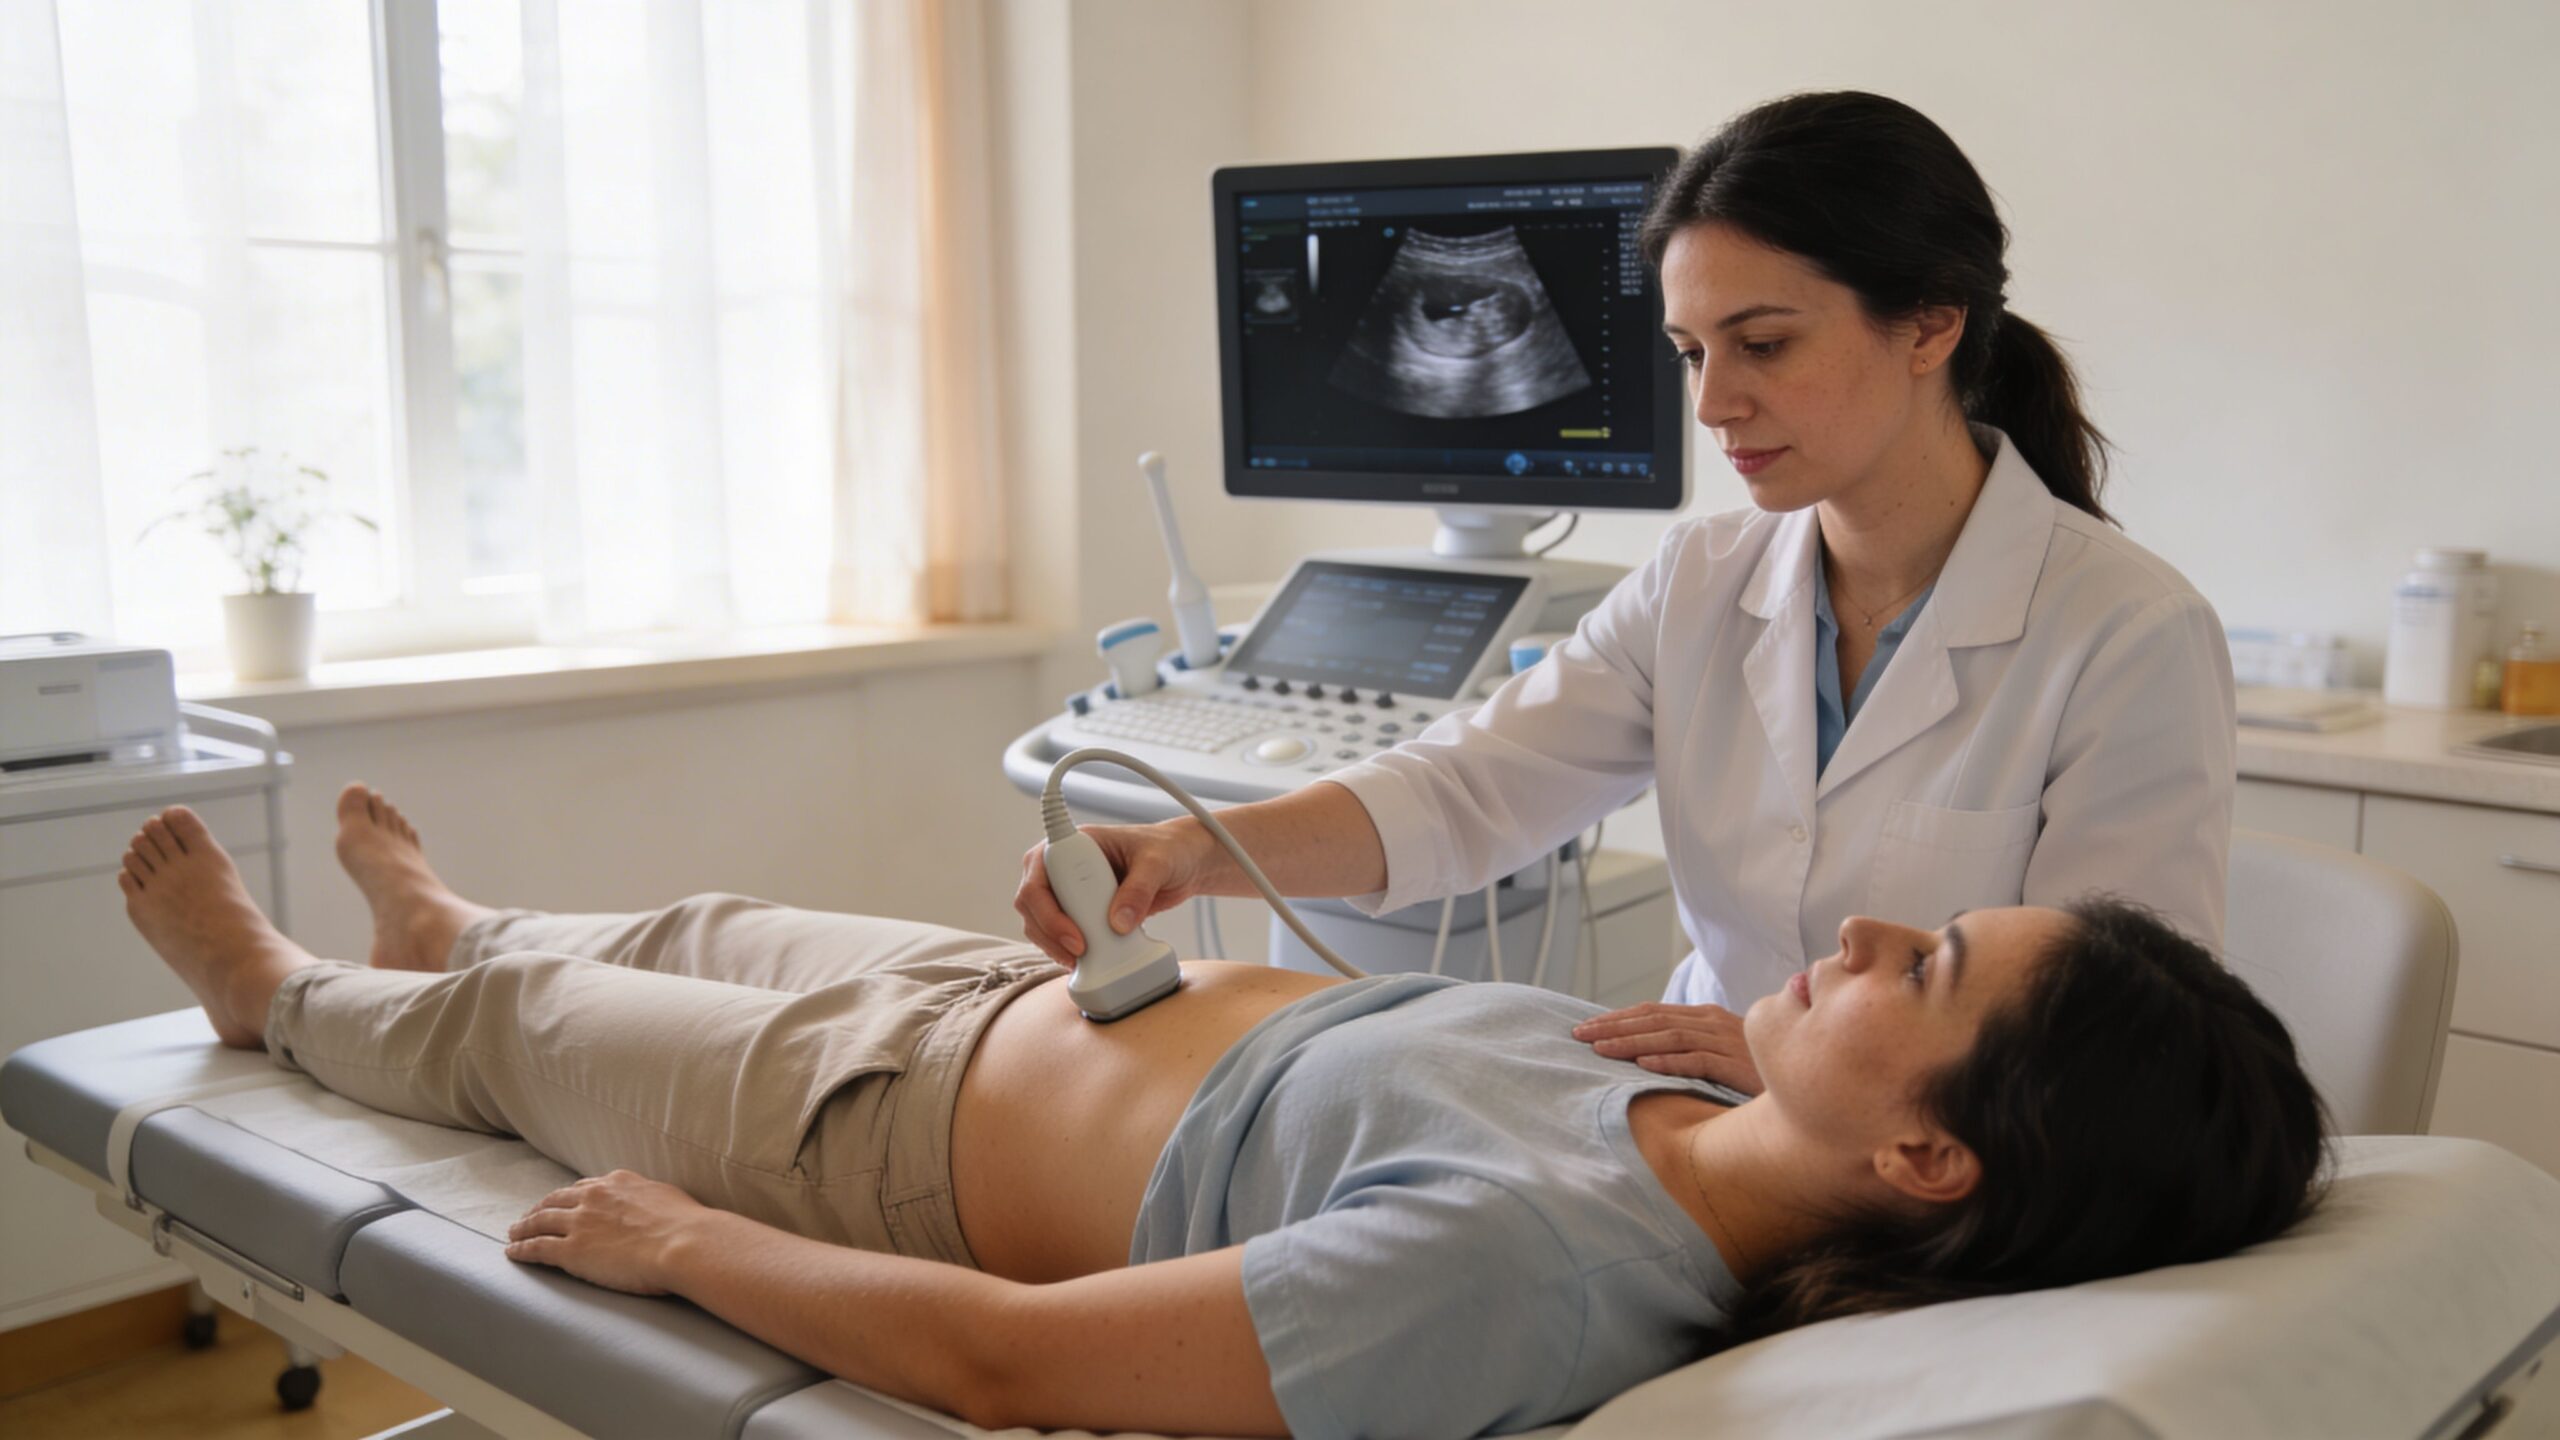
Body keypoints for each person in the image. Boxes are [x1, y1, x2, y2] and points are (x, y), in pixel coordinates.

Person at [115, 785, 2325, 1439]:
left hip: (876, 1137)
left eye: (1911, 972)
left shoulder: (1534, 1273)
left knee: (522, 1037)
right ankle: (458, 913)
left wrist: (690, 1249)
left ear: (1926, 1159)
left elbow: (999, 1364)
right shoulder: (1697, 1088)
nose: (1849, 935)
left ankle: (286, 989)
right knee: (678, 911)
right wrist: (1748, 1046)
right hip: (1005, 998)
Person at [1016, 91, 2237, 1095]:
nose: (1713, 408)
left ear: (1927, 327)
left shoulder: (2123, 636)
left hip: (1910, 1173)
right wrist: (1190, 853)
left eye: (1763, 346)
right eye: (1691, 354)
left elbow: (2114, 1057)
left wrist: (1783, 1068)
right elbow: (1467, 791)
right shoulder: (1702, 580)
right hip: (1689, 1110)